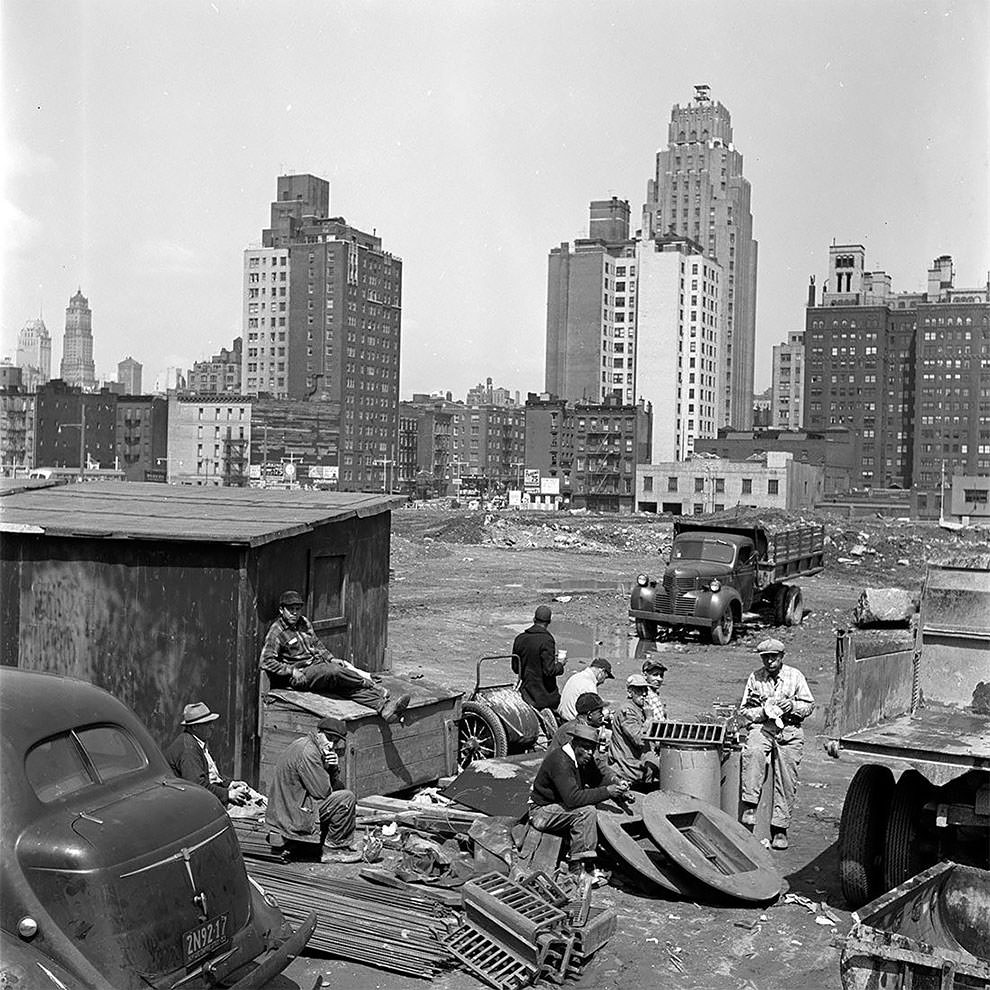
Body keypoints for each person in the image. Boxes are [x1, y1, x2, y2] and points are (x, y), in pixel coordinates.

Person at [261, 590, 410, 724]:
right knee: (333, 671)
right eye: (290, 610)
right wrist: (291, 671)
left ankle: (384, 708)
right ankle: (370, 684)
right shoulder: (277, 631)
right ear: (282, 610)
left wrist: (331, 658)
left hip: (319, 669)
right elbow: (266, 661)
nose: (295, 613)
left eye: (297, 609)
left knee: (344, 686)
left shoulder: (304, 623)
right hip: (301, 676)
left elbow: (316, 644)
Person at [739, 638, 816, 850]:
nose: (770, 661)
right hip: (764, 726)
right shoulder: (755, 677)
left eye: (774, 657)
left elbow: (809, 706)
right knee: (753, 751)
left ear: (782, 657)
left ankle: (780, 829)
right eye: (766, 657)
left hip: (790, 729)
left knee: (787, 777)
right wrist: (763, 711)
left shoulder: (795, 675)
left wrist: (791, 705)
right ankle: (750, 805)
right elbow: (744, 710)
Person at [529, 723, 629, 878]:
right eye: (585, 748)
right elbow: (573, 799)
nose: (589, 753)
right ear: (575, 744)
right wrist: (608, 791)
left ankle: (585, 857)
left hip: (558, 807)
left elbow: (598, 778)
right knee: (586, 812)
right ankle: (579, 867)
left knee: (596, 803)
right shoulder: (561, 761)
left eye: (592, 749)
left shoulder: (580, 758)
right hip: (541, 812)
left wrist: (617, 784)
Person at [266, 715, 361, 863]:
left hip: (289, 807)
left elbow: (329, 787)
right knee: (346, 798)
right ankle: (333, 849)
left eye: (335, 742)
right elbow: (323, 792)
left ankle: (333, 842)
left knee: (339, 790)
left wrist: (332, 768)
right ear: (319, 734)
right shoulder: (309, 753)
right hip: (292, 814)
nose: (331, 745)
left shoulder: (306, 744)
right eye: (329, 739)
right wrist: (332, 768)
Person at [165, 702, 249, 807]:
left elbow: (211, 777)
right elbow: (197, 786)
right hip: (190, 804)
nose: (212, 727)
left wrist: (230, 784)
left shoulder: (197, 742)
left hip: (208, 795)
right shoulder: (188, 750)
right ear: (195, 727)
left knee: (254, 798)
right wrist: (228, 794)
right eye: (208, 723)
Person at [512, 605, 566, 711]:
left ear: (534, 619)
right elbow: (549, 671)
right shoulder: (547, 640)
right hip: (544, 697)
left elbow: (515, 668)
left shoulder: (520, 638)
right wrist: (560, 664)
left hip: (526, 694)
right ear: (549, 622)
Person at [609, 675, 656, 786]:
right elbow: (639, 739)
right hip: (628, 767)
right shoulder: (627, 710)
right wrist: (649, 719)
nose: (644, 694)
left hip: (637, 762)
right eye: (639, 690)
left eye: (645, 690)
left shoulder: (639, 708)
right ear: (630, 692)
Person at [641, 655, 668, 723]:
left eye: (661, 675)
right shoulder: (646, 694)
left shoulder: (655, 693)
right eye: (655, 675)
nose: (659, 679)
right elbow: (657, 720)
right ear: (645, 675)